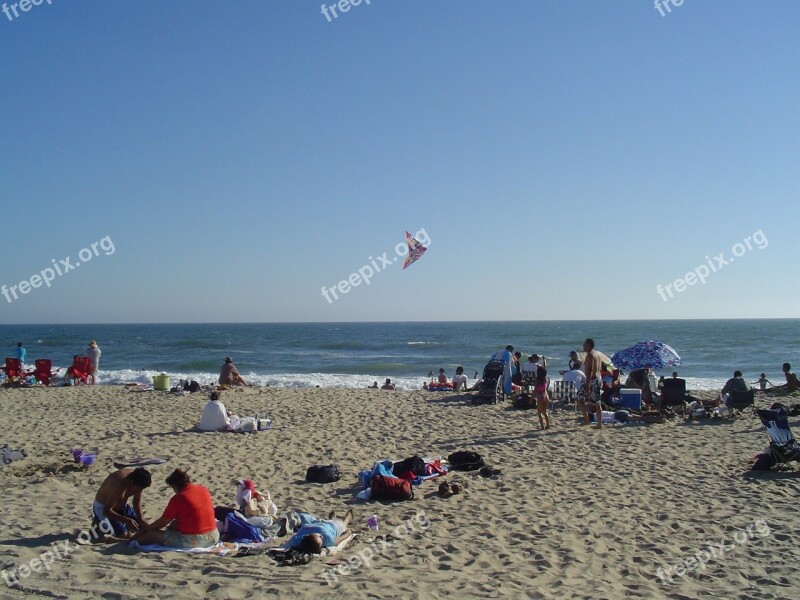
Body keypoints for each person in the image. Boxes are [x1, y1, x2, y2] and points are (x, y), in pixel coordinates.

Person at [135, 469, 219, 548]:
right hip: (213, 536)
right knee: (176, 522)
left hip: (195, 541)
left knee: (150, 535)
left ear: (175, 486)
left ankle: (131, 545)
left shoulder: (178, 498)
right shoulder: (203, 489)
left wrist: (148, 529)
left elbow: (163, 521)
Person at [93, 468, 152, 540]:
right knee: (124, 535)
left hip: (122, 506)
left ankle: (116, 524)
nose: (139, 491)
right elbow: (107, 511)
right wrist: (127, 521)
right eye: (138, 489)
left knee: (144, 528)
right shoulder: (117, 483)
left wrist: (141, 519)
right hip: (104, 508)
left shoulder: (138, 479)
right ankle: (98, 523)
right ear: (131, 483)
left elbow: (136, 501)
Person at [288, 509, 354, 554]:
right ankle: (347, 518)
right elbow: (339, 539)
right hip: (332, 526)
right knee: (343, 525)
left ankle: (332, 519)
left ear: (307, 535)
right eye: (321, 539)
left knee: (300, 516)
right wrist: (347, 533)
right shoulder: (328, 540)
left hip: (315, 522)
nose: (322, 536)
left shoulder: (297, 539)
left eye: (319, 536)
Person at [577, 338, 604, 428]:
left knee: (579, 398)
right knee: (597, 402)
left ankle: (587, 419)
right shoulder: (597, 354)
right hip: (598, 379)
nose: (583, 346)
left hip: (592, 380)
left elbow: (589, 370)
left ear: (588, 345)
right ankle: (599, 423)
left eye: (584, 345)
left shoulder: (590, 356)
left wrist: (587, 384)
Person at [534, 366, 551, 430]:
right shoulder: (546, 379)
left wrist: (531, 398)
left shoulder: (537, 380)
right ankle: (548, 425)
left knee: (539, 413)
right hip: (546, 396)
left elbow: (536, 389)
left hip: (540, 396)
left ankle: (542, 426)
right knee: (545, 412)